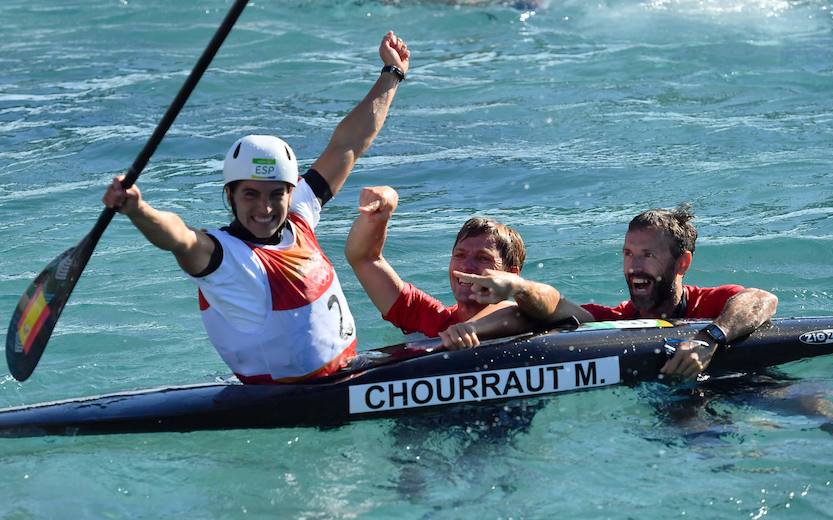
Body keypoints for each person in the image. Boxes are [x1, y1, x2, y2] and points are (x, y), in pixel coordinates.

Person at [101, 32, 411, 384]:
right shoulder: (225, 259)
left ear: (289, 192)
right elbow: (179, 238)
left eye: (276, 194)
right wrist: (138, 209)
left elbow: (349, 145)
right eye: (250, 195)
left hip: (349, 374)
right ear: (230, 196)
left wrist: (392, 74)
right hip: (296, 404)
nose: (265, 208)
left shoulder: (297, 215)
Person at [451, 205, 779, 379]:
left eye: (647, 256)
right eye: (627, 254)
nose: (634, 267)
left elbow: (762, 300)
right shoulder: (617, 321)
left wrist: (711, 339)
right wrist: (512, 294)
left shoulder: (709, 304)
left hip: (745, 378)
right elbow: (544, 311)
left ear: (682, 263)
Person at [344, 185, 527, 347]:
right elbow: (363, 258)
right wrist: (382, 211)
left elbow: (518, 314)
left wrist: (471, 329)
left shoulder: (526, 318)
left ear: (511, 274)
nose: (466, 266)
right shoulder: (430, 318)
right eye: (459, 255)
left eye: (483, 258)